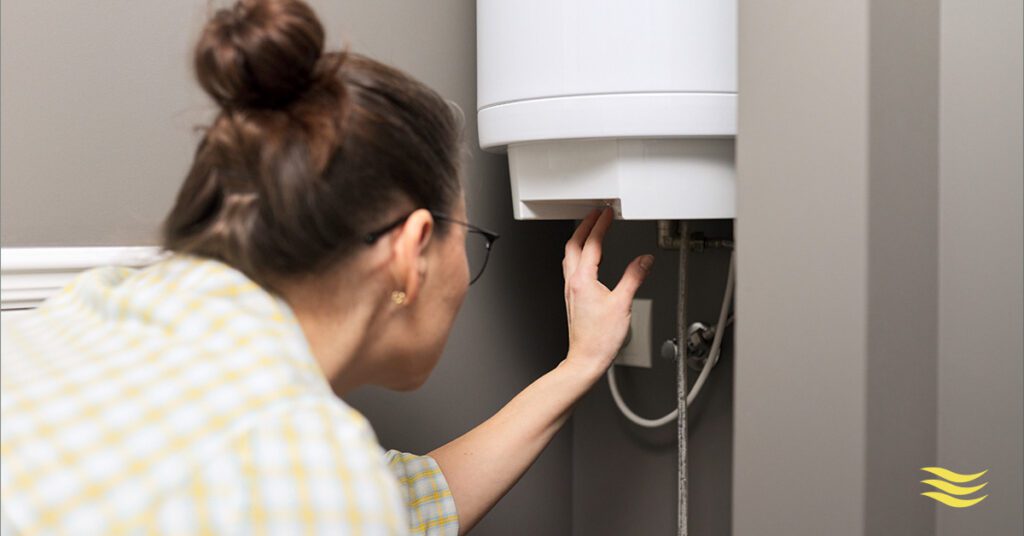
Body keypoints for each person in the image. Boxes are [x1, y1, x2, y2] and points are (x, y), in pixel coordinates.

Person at [0, 0, 653, 534]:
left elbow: (400, 505)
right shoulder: (304, 468)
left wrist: (581, 364)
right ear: (410, 252)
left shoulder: (99, 306)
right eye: (470, 237)